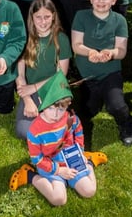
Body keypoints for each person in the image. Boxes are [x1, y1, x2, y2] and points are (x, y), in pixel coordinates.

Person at [9, 70, 102, 206]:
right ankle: (30, 176)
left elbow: (78, 131)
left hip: (71, 159)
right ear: (41, 101)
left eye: (61, 109)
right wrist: (58, 170)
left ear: (67, 105)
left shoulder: (70, 118)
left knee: (89, 191)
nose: (56, 114)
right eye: (51, 108)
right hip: (50, 164)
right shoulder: (35, 130)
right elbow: (37, 159)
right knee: (58, 199)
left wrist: (80, 151)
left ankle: (89, 162)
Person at [71, 0, 132, 148]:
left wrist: (111, 53)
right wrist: (90, 52)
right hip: (86, 75)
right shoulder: (81, 16)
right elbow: (76, 45)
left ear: (114, 0)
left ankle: (127, 124)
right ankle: (96, 101)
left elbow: (121, 51)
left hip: (110, 74)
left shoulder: (119, 20)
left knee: (117, 106)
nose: (101, 1)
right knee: (84, 112)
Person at [15, 0, 72, 140]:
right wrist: (28, 100)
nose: (43, 21)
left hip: (53, 87)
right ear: (32, 17)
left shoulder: (61, 39)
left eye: (47, 17)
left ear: (53, 16)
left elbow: (61, 75)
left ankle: (55, 116)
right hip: (30, 91)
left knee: (61, 125)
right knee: (23, 131)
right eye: (38, 17)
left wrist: (34, 87)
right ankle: (45, 121)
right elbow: (20, 75)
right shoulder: (25, 38)